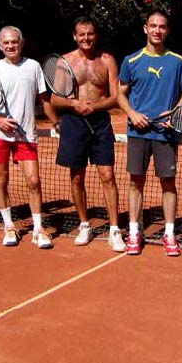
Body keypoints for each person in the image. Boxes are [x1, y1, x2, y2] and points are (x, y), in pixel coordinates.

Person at [116, 9, 182, 257]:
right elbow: (120, 93)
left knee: (168, 183)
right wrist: (133, 114)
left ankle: (169, 234)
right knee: (135, 181)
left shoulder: (178, 61)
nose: (157, 30)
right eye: (153, 26)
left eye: (162, 26)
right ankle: (134, 232)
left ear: (167, 30)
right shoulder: (131, 60)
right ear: (145, 28)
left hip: (166, 134)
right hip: (138, 133)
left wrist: (175, 113)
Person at [0, 25, 61, 249]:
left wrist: (55, 121)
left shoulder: (33, 67)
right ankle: (8, 226)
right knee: (1, 180)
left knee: (34, 181)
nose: (10, 46)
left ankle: (38, 229)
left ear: (21, 43)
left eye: (14, 42)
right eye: (6, 43)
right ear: (0, 45)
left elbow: (44, 100)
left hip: (26, 135)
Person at [52, 16, 125, 252]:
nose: (86, 38)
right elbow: (55, 98)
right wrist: (75, 104)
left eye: (90, 33)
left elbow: (116, 96)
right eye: (81, 34)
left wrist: (94, 106)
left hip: (101, 123)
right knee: (76, 176)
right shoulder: (65, 61)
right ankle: (84, 225)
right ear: (75, 36)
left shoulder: (107, 61)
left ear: (96, 34)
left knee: (107, 175)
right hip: (74, 123)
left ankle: (114, 230)